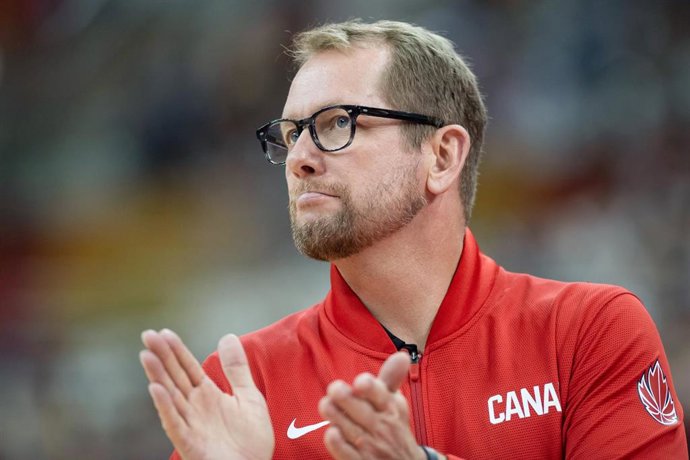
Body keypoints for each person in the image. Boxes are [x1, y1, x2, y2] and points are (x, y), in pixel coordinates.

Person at [139, 20, 688, 459]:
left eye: (337, 123)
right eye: (290, 134)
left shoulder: (588, 333)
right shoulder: (245, 385)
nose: (300, 159)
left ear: (442, 156)